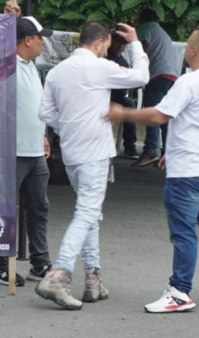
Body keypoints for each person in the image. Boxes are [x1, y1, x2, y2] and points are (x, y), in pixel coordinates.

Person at [109, 26, 199, 312]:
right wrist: (172, 151)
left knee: (183, 233)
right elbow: (197, 121)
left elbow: (159, 115)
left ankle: (180, 290)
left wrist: (123, 113)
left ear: (193, 50)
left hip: (186, 172)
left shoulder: (188, 81)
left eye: (186, 47)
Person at [34, 21, 149, 310]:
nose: (107, 51)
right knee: (87, 212)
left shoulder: (57, 72)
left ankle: (92, 278)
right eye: (108, 47)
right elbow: (142, 77)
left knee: (90, 213)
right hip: (95, 152)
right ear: (99, 43)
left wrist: (69, 128)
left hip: (72, 153)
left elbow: (45, 112)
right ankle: (59, 274)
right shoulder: (101, 67)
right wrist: (135, 43)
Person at [0, 17, 53, 287]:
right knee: (6, 210)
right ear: (28, 40)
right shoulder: (8, 64)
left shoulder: (31, 65)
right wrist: (8, 14)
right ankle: (2, 265)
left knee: (39, 207)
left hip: (35, 151)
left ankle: (40, 263)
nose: (43, 41)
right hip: (12, 151)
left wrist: (43, 135)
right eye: (40, 37)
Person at [132, 9, 179, 167]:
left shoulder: (146, 28)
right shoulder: (164, 33)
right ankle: (168, 153)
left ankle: (151, 149)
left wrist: (139, 69)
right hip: (171, 77)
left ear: (142, 18)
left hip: (157, 76)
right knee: (165, 115)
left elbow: (143, 47)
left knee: (152, 112)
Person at [106, 32, 139, 158]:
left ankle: (130, 146)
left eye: (124, 44)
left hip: (114, 95)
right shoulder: (102, 55)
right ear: (111, 40)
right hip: (98, 93)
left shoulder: (123, 62)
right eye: (118, 42)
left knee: (129, 104)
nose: (121, 46)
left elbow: (124, 90)